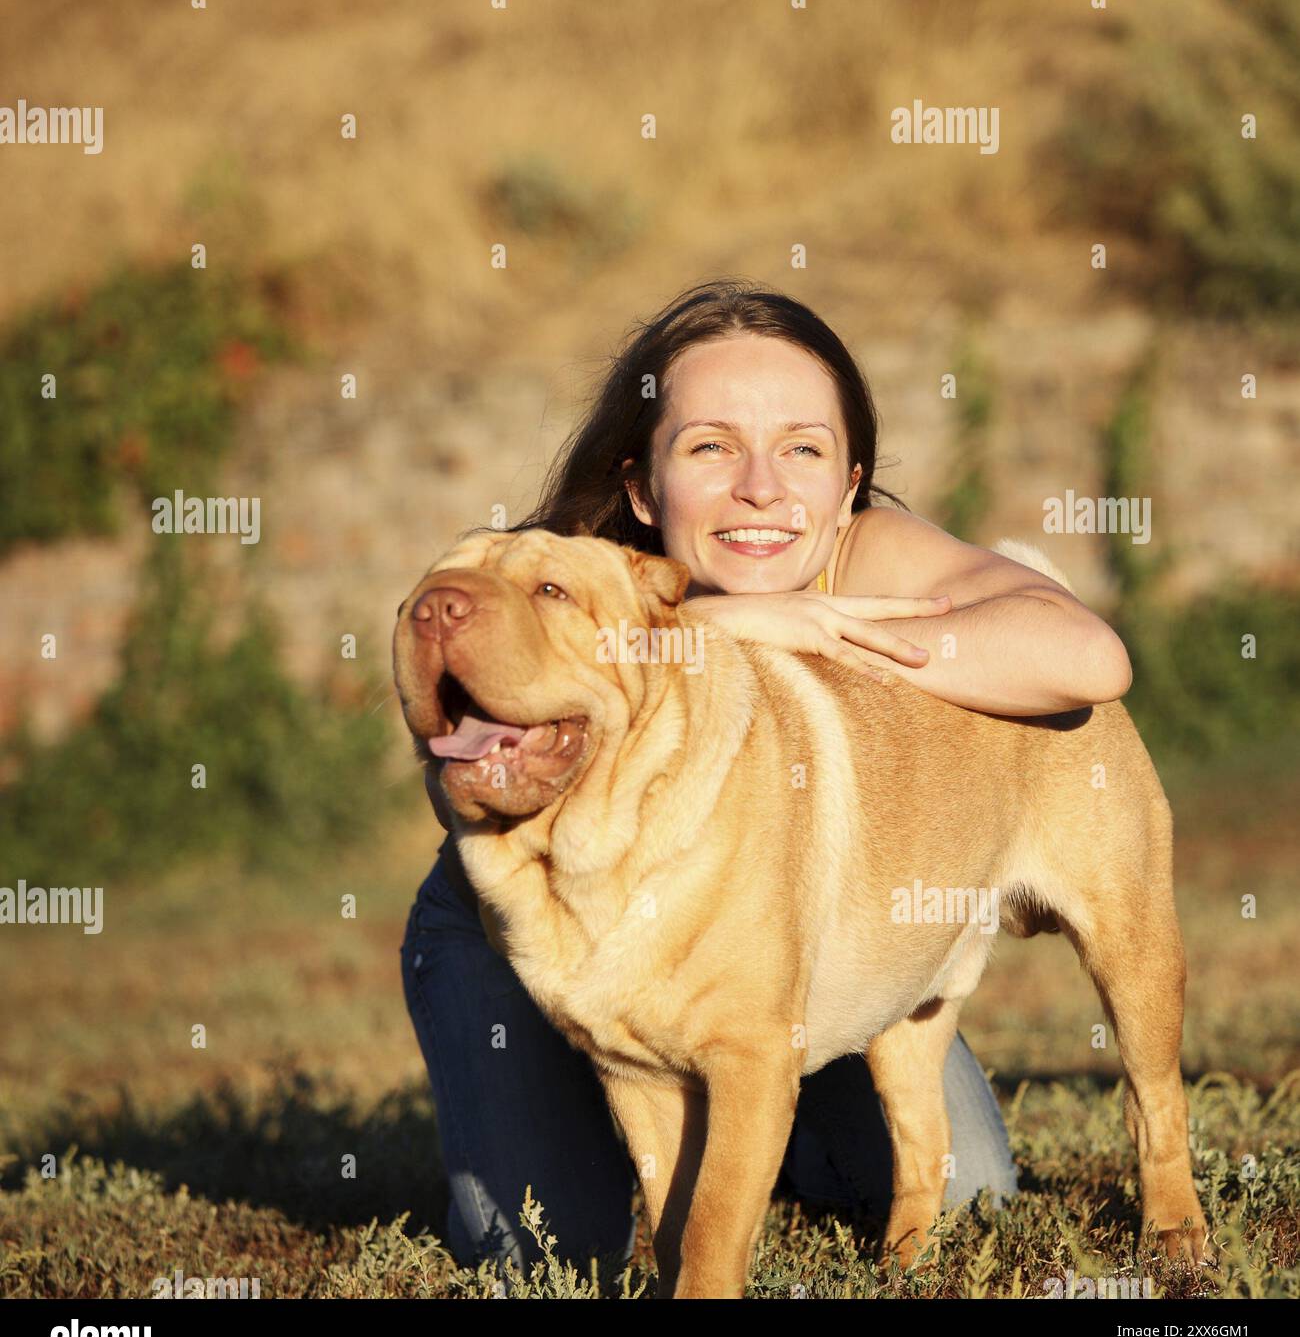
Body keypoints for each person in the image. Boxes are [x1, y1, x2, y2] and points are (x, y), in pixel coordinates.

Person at [400, 277, 1133, 1280]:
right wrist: (704, 627)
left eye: (802, 449)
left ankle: (742, 1148)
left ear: (847, 485)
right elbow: (481, 740)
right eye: (710, 447)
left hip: (783, 932)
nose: (760, 487)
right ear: (644, 490)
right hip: (530, 934)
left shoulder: (862, 550)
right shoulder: (579, 582)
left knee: (965, 1192)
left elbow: (1088, 660)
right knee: (544, 1246)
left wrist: (831, 635)